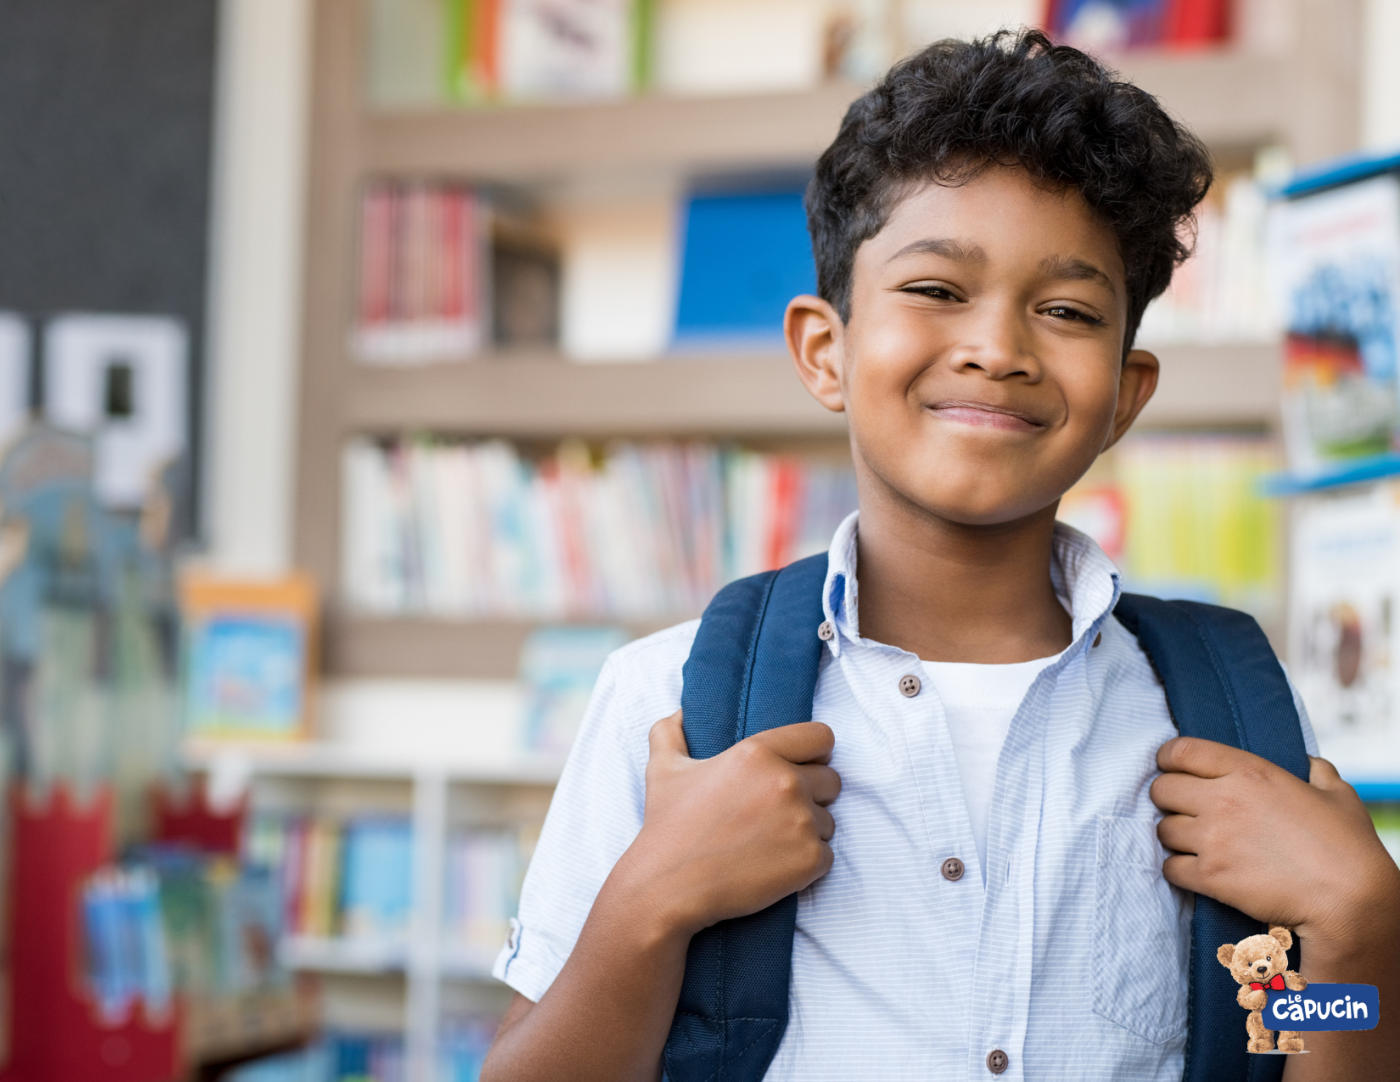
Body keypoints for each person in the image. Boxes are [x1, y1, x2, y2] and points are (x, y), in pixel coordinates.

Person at [481, 30, 1400, 1082]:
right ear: (824, 351)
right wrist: (650, 900)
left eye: (1066, 311)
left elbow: (1292, 1035)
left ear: (1124, 394)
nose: (997, 349)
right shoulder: (668, 707)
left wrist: (1361, 923)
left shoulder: (1230, 719)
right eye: (934, 290)